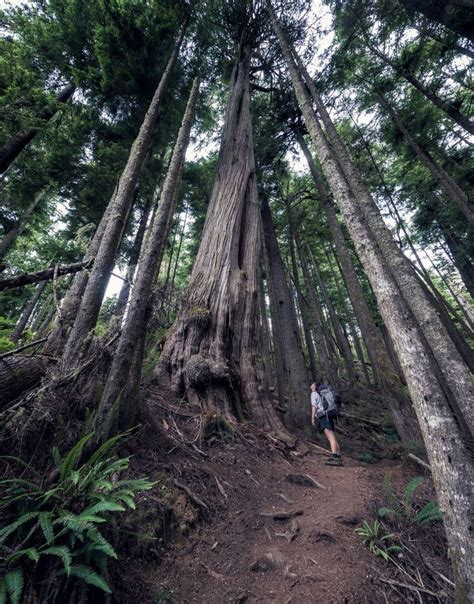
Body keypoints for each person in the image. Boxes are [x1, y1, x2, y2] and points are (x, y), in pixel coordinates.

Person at [310, 382, 343, 466]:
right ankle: (338, 456)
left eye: (312, 384)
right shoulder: (321, 393)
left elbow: (314, 406)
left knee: (330, 437)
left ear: (314, 386)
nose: (311, 385)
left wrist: (312, 417)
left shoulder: (314, 393)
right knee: (332, 437)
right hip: (329, 415)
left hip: (324, 416)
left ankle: (335, 457)